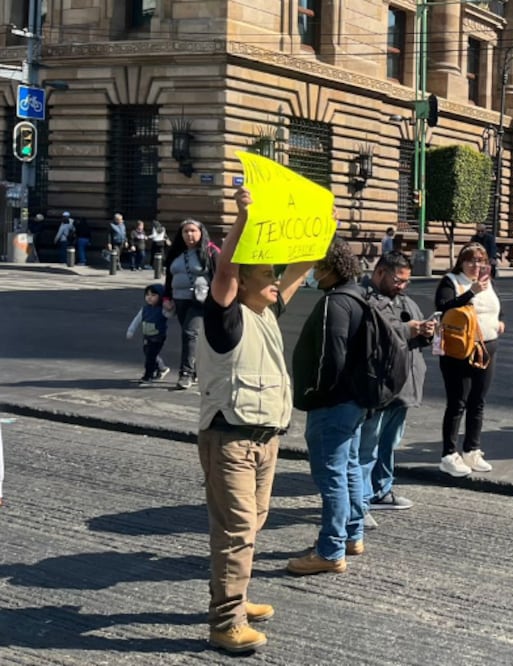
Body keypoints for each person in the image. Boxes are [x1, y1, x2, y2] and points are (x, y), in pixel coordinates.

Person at [196, 187, 316, 653]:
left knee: (253, 521)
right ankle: (225, 623)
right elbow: (224, 269)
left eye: (274, 275)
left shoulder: (265, 311)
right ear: (242, 283)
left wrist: (319, 230)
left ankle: (237, 599)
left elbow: (299, 273)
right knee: (237, 528)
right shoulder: (225, 317)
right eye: (266, 274)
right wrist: (242, 219)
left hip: (265, 440)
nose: (275, 280)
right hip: (230, 437)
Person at [287, 239, 369, 577]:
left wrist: (312, 391)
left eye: (316, 266)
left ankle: (330, 550)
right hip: (355, 401)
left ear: (329, 268)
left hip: (332, 404)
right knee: (348, 468)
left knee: (331, 477)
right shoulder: (358, 296)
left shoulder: (333, 303)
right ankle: (353, 534)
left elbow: (329, 359)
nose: (312, 273)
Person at [358, 252, 435, 515]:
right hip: (380, 388)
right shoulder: (364, 299)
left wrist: (426, 332)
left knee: (389, 444)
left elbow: (416, 334)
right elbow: (374, 336)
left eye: (406, 281)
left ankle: (381, 490)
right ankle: (360, 503)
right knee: (367, 447)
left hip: (404, 388)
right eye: (398, 280)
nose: (402, 286)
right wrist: (409, 330)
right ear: (380, 272)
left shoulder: (406, 302)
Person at [435, 243, 502, 477]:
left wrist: (498, 321)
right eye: (471, 260)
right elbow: (444, 308)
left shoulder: (487, 282)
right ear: (461, 262)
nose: (477, 265)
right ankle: (448, 454)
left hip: (487, 347)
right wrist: (471, 292)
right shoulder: (451, 281)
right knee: (457, 402)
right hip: (460, 350)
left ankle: (472, 449)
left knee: (478, 401)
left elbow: (493, 307)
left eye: (481, 261)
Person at [163, 219, 220, 391]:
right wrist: (166, 297)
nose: (189, 234)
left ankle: (185, 374)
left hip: (200, 301)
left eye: (193, 231)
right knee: (193, 337)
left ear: (201, 232)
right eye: (185, 231)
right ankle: (197, 370)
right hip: (179, 299)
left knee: (189, 334)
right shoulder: (176, 252)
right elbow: (169, 278)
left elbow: (219, 277)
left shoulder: (210, 251)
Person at [125, 284, 170, 384]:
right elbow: (137, 319)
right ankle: (162, 368)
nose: (149, 297)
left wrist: (169, 306)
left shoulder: (162, 309)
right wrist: (131, 330)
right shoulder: (145, 309)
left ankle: (148, 375)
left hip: (158, 336)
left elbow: (170, 314)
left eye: (153, 295)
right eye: (147, 295)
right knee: (148, 353)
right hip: (147, 335)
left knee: (151, 356)